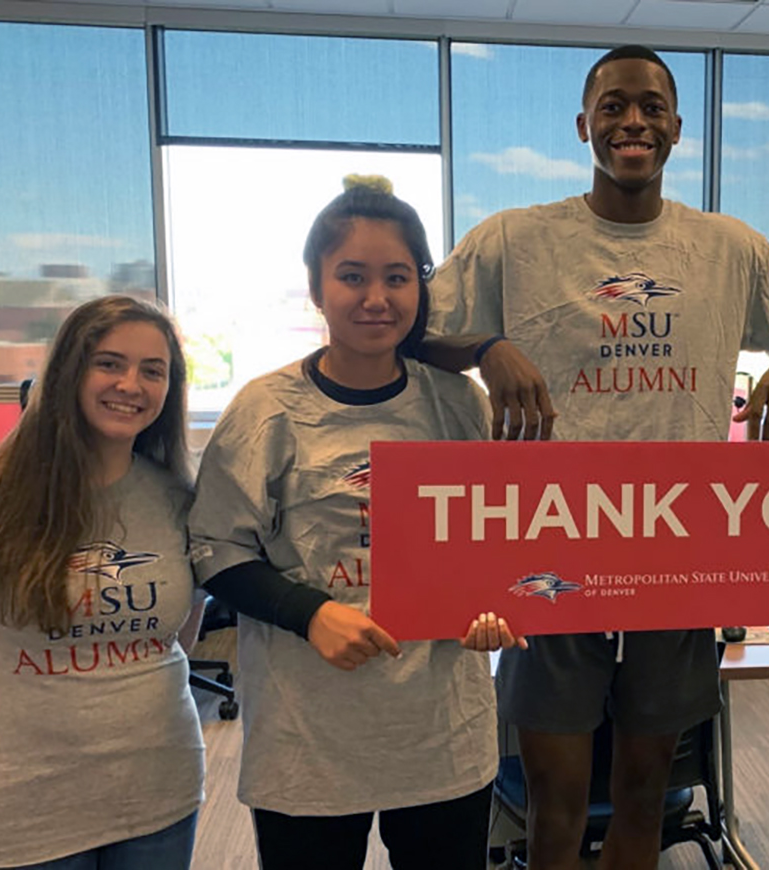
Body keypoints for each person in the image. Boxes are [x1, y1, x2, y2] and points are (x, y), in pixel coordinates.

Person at [419, 44, 769, 870]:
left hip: (677, 548)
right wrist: (488, 347)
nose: (632, 122)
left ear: (677, 129)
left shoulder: (728, 248)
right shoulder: (514, 239)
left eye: (651, 107)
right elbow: (416, 328)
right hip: (547, 540)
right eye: (614, 106)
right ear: (584, 125)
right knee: (556, 798)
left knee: (650, 787)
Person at [187, 175, 523, 870]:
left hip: (440, 731)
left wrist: (498, 604)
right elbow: (214, 547)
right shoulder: (265, 410)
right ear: (316, 287)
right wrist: (309, 613)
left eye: (397, 277)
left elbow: (501, 536)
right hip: (309, 737)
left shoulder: (461, 406)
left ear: (421, 288)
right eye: (352, 276)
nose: (377, 298)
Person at [0, 295, 203, 870]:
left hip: (160, 788)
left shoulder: (182, 501)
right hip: (21, 803)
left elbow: (175, 639)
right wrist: (28, 702)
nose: (131, 384)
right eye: (109, 363)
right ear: (67, 373)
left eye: (152, 370)